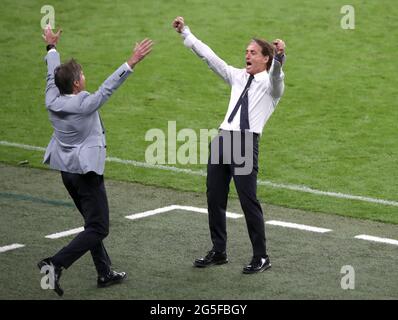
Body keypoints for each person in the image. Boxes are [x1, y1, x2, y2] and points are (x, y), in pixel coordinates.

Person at [38, 25, 153, 296]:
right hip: (86, 173)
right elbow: (107, 89)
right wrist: (132, 61)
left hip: (67, 172)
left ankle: (104, 272)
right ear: (77, 84)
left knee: (91, 225)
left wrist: (51, 48)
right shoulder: (84, 103)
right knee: (99, 228)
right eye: (82, 75)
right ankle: (54, 264)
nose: (84, 77)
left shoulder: (52, 98)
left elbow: (50, 76)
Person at [172, 17, 286, 274]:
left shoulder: (271, 86)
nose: (247, 55)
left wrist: (280, 58)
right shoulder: (237, 76)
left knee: (248, 201)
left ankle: (261, 256)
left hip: (245, 143)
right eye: (246, 51)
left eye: (253, 52)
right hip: (222, 140)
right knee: (214, 196)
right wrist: (186, 33)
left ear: (265, 58)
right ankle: (219, 250)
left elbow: (277, 76)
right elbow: (210, 58)